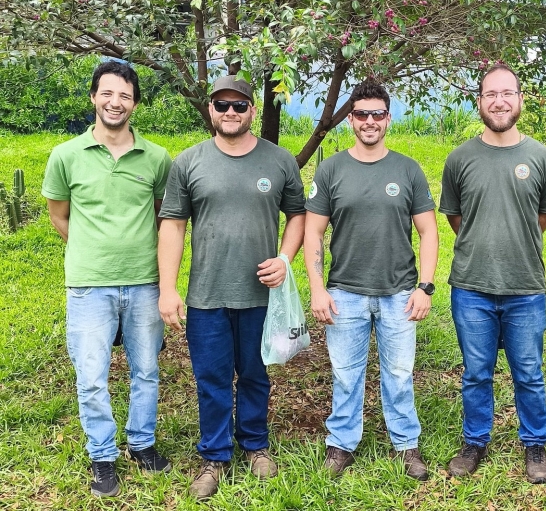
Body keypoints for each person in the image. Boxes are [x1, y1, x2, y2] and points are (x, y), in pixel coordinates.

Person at [157, 75, 306, 499]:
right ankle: (215, 456)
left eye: (239, 106)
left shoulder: (279, 161)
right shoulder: (188, 162)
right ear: (211, 109)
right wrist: (169, 288)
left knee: (256, 374)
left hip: (262, 295)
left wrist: (284, 258)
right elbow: (172, 226)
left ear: (252, 111)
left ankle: (255, 445)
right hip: (207, 294)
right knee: (212, 377)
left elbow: (297, 215)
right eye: (222, 105)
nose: (230, 112)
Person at [41, 61, 173, 497]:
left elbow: (163, 217)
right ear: (94, 97)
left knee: (147, 370)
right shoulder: (65, 155)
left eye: (125, 96)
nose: (116, 102)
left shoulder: (156, 158)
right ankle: (103, 455)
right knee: (92, 375)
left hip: (144, 282)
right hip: (89, 284)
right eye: (108, 93)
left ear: (135, 103)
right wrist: (93, 250)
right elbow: (60, 215)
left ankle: (142, 442)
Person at [304, 80, 438, 480]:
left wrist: (425, 286)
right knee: (345, 374)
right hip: (345, 291)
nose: (369, 121)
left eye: (377, 114)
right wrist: (316, 287)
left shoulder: (407, 169)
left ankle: (405, 444)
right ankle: (341, 443)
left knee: (399, 375)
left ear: (388, 119)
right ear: (351, 120)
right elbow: (313, 232)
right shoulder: (331, 170)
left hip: (399, 293)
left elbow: (429, 232)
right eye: (361, 114)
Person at [439, 64, 546, 484]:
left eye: (507, 93)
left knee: (528, 370)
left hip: (525, 285)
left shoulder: (542, 158)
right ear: (479, 101)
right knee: (476, 371)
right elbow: (456, 218)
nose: (499, 101)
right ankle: (475, 441)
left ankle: (535, 444)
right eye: (491, 94)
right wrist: (484, 244)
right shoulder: (460, 158)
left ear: (520, 99)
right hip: (471, 286)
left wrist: (512, 243)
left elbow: (542, 216)